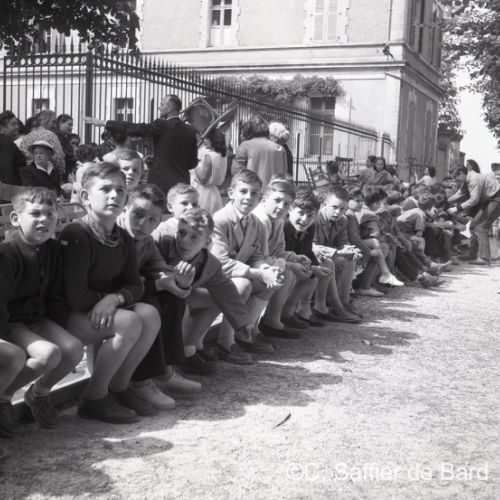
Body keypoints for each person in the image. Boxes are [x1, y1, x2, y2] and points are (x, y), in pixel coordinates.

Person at [60, 162, 161, 423]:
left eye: (120, 190)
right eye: (105, 189)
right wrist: (107, 300)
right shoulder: (77, 234)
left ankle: (118, 387)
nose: (114, 195)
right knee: (128, 321)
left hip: (100, 309)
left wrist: (114, 298)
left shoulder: (121, 237)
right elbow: (76, 297)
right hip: (66, 315)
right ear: (85, 196)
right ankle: (93, 398)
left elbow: (134, 285)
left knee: (149, 314)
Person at [0, 188, 84, 429]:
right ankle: (4, 398)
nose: (44, 219)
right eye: (35, 214)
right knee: (48, 354)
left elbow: (55, 294)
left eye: (50, 214)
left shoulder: (53, 249)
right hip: (11, 322)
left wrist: (60, 326)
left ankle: (38, 394)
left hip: (37, 318)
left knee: (73, 349)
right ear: (16, 219)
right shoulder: (7, 253)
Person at [118, 184, 200, 410]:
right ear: (125, 210)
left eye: (152, 219)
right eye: (138, 214)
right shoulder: (117, 236)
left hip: (131, 293)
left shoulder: (146, 241)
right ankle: (141, 380)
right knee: (152, 303)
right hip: (112, 298)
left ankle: (165, 371)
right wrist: (158, 283)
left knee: (173, 298)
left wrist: (180, 282)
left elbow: (160, 268)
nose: (144, 224)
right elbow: (117, 281)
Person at [157, 208, 254, 375]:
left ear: (207, 241)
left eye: (195, 237)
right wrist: (173, 279)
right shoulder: (161, 243)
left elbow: (226, 290)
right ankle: (167, 361)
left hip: (181, 296)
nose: (185, 241)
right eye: (182, 233)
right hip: (154, 296)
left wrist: (243, 322)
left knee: (216, 298)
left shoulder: (209, 263)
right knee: (180, 307)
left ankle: (188, 350)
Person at [211, 169, 283, 363]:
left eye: (254, 193)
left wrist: (266, 270)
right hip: (214, 278)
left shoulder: (255, 223)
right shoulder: (220, 220)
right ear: (231, 193)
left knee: (272, 281)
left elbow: (256, 255)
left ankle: (245, 334)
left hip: (238, 274)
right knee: (243, 284)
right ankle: (225, 343)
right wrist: (257, 273)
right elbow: (220, 262)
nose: (249, 197)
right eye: (243, 191)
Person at [253, 177, 314, 338]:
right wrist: (290, 265)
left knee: (289, 271)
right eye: (277, 200)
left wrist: (295, 258)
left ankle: (272, 320)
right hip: (250, 266)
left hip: (262, 264)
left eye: (286, 204)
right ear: (264, 200)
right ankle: (253, 327)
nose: (281, 207)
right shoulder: (261, 220)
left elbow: (278, 251)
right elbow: (261, 257)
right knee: (285, 271)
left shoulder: (278, 220)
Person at [105, 94, 198, 194]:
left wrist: (106, 123)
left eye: (162, 104)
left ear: (170, 108)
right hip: (182, 184)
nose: (159, 108)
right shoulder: (191, 131)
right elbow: (192, 163)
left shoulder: (162, 125)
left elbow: (137, 128)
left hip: (161, 184)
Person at [313, 186, 363, 323]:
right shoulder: (315, 218)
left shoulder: (342, 220)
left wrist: (351, 250)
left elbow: (342, 242)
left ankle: (344, 302)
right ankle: (337, 307)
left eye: (342, 209)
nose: (338, 212)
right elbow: (312, 246)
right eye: (334, 207)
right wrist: (339, 252)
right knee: (329, 262)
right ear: (324, 204)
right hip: (314, 257)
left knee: (350, 260)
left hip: (327, 256)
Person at [283, 188, 331, 326]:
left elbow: (308, 251)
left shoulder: (310, 227)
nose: (305, 219)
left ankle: (290, 311)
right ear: (291, 209)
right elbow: (283, 253)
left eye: (310, 216)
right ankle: (277, 314)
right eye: (301, 213)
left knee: (313, 274)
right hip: (282, 264)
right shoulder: (284, 226)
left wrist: (316, 267)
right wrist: (313, 268)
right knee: (299, 273)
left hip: (295, 262)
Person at [449, 166, 500, 265]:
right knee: (473, 225)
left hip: (496, 198)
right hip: (490, 199)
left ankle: (484, 258)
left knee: (482, 227)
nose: (455, 180)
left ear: (461, 174)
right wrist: (447, 201)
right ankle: (472, 254)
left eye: (456, 177)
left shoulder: (473, 179)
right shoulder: (466, 179)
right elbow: (459, 193)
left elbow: (474, 200)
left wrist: (456, 208)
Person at [232, 115, 287, 189]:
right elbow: (284, 173)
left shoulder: (245, 146)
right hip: (273, 192)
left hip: (252, 191)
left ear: (248, 130)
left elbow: (237, 172)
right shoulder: (279, 148)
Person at [191, 128, 227, 213]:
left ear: (213, 140)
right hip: (214, 193)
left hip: (203, 193)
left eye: (207, 138)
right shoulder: (222, 155)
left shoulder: (209, 156)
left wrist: (194, 163)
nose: (204, 141)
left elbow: (203, 179)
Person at [19, 110, 65, 177]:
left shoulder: (27, 137)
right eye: (53, 122)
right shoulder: (51, 135)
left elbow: (22, 156)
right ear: (44, 120)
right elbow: (58, 158)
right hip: (47, 174)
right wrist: (60, 175)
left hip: (29, 175)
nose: (55, 125)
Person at [0, 110, 26, 187]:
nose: (17, 126)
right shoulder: (7, 143)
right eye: (13, 124)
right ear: (2, 127)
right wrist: (12, 189)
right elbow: (6, 168)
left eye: (17, 124)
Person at [55, 114, 77, 182]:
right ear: (61, 123)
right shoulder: (57, 137)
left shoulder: (65, 137)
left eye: (72, 125)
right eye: (69, 124)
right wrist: (74, 155)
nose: (71, 127)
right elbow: (63, 154)